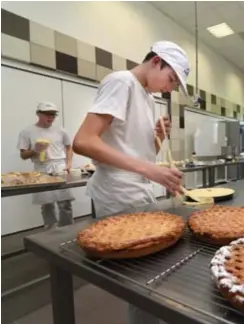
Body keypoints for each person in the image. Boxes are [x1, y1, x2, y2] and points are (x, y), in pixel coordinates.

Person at [73, 41, 190, 323]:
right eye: (171, 79)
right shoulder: (120, 82)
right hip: (118, 192)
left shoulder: (147, 98)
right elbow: (83, 141)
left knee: (151, 276)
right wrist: (150, 171)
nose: (169, 87)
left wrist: (159, 136)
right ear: (156, 61)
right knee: (146, 280)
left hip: (136, 189)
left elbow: (141, 151)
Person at [17, 102, 74, 229]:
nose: (51, 117)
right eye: (47, 114)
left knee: (65, 202)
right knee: (47, 203)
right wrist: (34, 151)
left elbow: (69, 147)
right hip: (41, 168)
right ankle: (50, 232)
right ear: (38, 114)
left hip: (59, 167)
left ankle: (68, 230)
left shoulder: (61, 131)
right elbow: (23, 155)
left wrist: (69, 163)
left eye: (53, 114)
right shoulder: (27, 131)